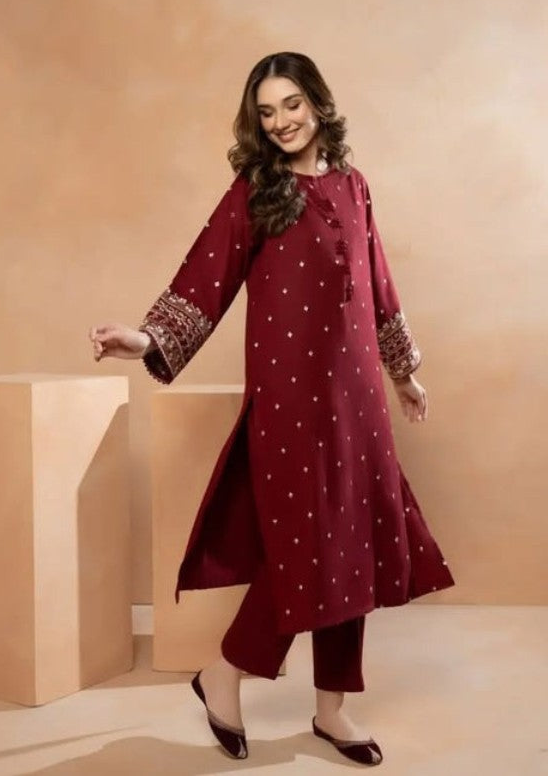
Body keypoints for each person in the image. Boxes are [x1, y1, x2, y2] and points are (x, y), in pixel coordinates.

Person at [89, 52, 455, 766]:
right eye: (267, 111)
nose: (282, 121)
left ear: (318, 104)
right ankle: (225, 673)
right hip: (290, 402)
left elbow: (377, 282)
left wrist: (403, 372)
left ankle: (331, 711)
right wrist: (147, 338)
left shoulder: (353, 186)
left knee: (351, 546)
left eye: (292, 104)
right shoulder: (257, 191)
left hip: (357, 401)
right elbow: (207, 277)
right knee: (308, 546)